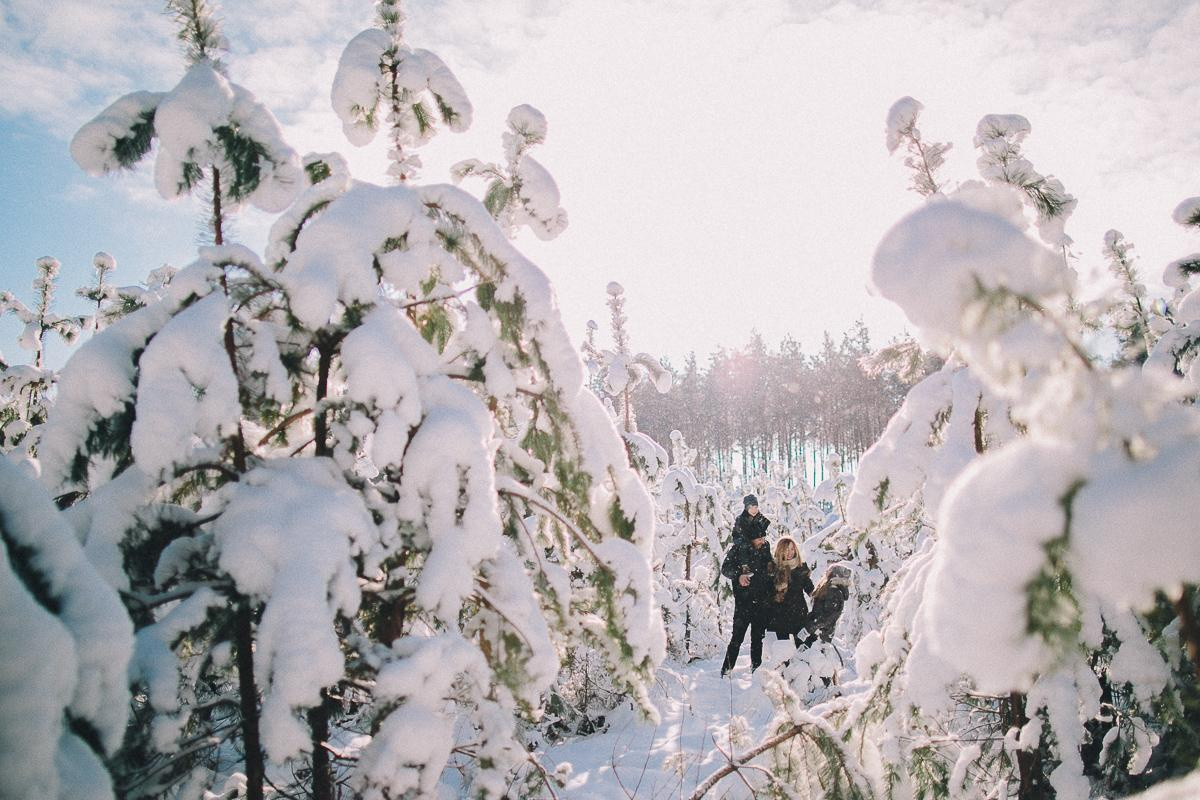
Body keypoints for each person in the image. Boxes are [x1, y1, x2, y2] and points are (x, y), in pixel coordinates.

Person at [719, 495, 773, 676]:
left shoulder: (765, 549)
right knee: (737, 639)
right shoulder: (737, 551)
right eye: (759, 538)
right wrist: (739, 575)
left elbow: (770, 569)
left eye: (764, 537)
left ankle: (756, 672)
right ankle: (726, 672)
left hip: (762, 602)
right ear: (751, 538)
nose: (763, 540)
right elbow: (725, 569)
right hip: (743, 603)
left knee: (758, 639)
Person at [766, 536, 815, 648]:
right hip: (779, 615)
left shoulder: (801, 568)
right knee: (783, 649)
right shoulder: (773, 568)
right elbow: (767, 591)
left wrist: (816, 595)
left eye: (792, 549)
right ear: (780, 550)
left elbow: (809, 586)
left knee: (803, 647)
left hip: (798, 612)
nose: (790, 552)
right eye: (786, 549)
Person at [803, 564, 852, 646]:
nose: (826, 571)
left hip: (821, 634)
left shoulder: (834, 592)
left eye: (829, 570)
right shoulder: (830, 588)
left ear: (834, 574)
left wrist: (811, 627)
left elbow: (828, 617)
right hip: (818, 632)